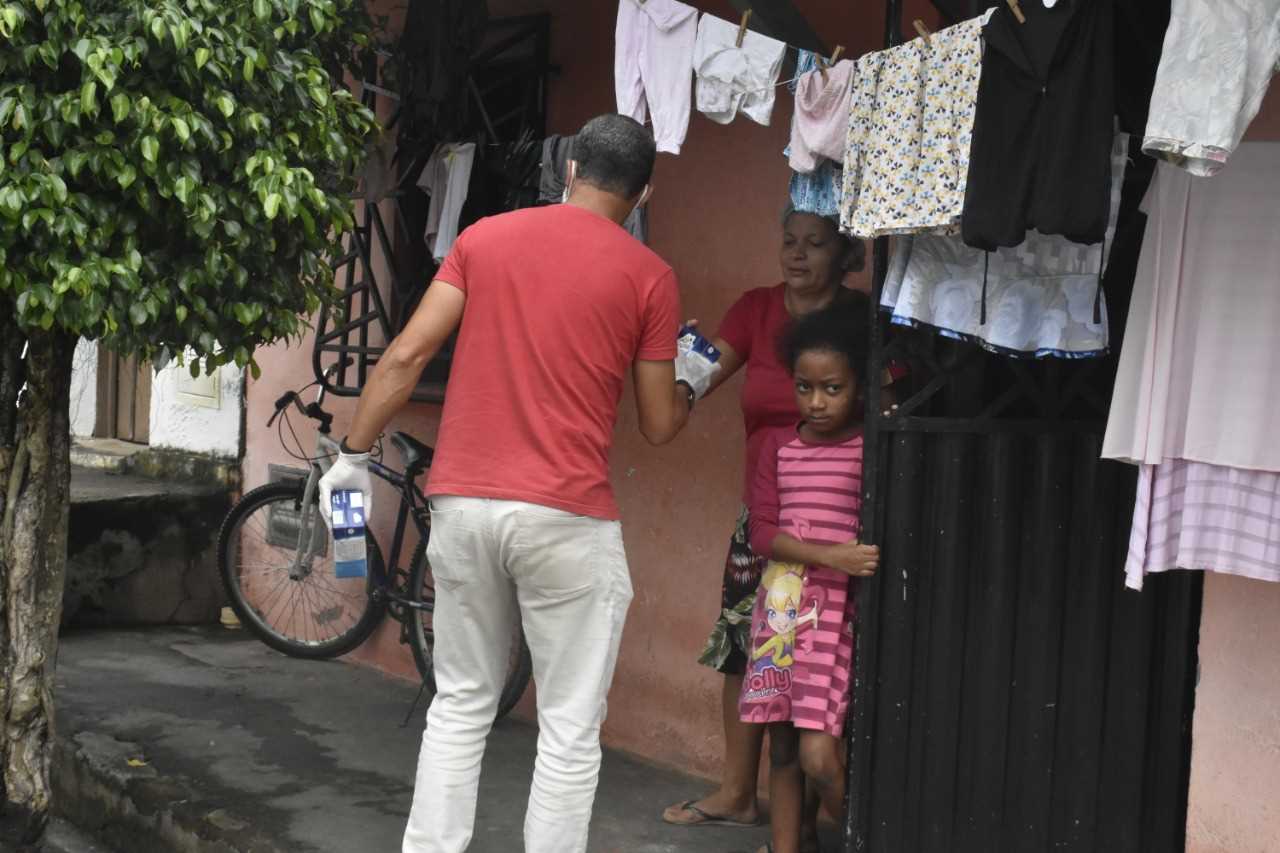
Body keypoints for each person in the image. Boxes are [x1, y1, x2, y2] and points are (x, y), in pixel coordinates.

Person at [318, 113, 712, 853]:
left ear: (569, 170)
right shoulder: (650, 278)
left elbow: (405, 356)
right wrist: (694, 382)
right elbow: (660, 423)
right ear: (644, 192)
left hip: (463, 506)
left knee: (460, 703)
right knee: (568, 727)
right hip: (568, 518)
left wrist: (352, 450)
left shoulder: (483, 239)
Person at [663, 208, 865, 847]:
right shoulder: (756, 308)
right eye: (788, 241)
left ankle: (814, 812)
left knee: (828, 661)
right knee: (747, 652)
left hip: (840, 520)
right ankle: (736, 793)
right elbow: (697, 378)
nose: (798, 255)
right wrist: (674, 361)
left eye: (815, 243)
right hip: (770, 516)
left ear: (844, 252)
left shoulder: (861, 321)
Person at [742, 304, 880, 853]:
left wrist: (836, 566)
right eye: (804, 387)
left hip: (835, 617)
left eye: (832, 388)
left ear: (859, 387)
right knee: (780, 747)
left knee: (819, 755)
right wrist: (831, 556)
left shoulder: (870, 446)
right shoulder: (779, 446)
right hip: (780, 610)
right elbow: (761, 534)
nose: (816, 402)